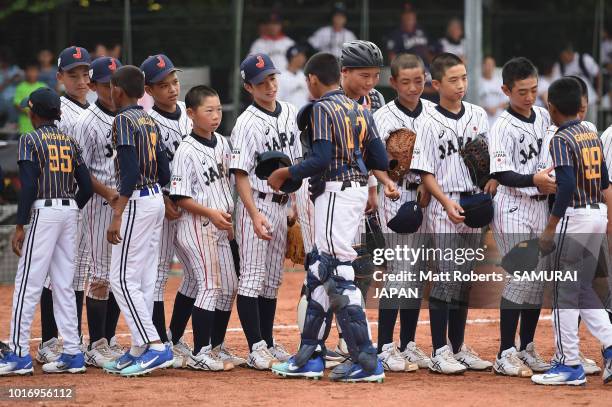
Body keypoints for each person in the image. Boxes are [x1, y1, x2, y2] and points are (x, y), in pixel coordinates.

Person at [267, 51, 399, 382]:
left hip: (336, 192)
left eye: (373, 76)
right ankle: (309, 354)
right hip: (351, 192)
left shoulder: (323, 107)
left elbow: (321, 158)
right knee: (319, 270)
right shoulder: (361, 109)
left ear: (312, 80)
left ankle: (366, 359)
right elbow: (380, 158)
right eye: (365, 76)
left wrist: (286, 172)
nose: (370, 83)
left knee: (336, 271)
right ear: (341, 73)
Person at [410, 52, 494, 374]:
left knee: (464, 281)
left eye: (464, 78)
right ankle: (439, 350)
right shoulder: (428, 121)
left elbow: (484, 160)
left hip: (474, 203)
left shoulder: (477, 113)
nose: (461, 85)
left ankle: (458, 348)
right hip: (445, 205)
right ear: (436, 84)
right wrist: (445, 202)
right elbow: (425, 173)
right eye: (453, 80)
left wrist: (490, 181)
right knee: (446, 280)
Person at [0, 87, 93, 376]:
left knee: (28, 282)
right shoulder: (69, 141)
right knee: (63, 284)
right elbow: (87, 187)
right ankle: (73, 353)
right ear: (58, 113)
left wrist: (20, 224)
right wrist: (70, 209)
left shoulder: (30, 139)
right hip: (69, 211)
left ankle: (17, 353)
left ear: (33, 113)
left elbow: (27, 186)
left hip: (45, 209)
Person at [532, 77, 612, 386]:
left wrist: (550, 227)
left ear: (551, 107)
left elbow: (564, 186)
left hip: (575, 217)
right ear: (579, 106)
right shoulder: (589, 132)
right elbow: (604, 181)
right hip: (596, 214)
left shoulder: (561, 138)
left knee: (564, 291)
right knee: (580, 290)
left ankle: (569, 364)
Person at [101, 65, 173, 377]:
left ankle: (155, 344)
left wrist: (117, 212)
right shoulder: (149, 118)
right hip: (154, 198)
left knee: (119, 278)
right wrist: (166, 198)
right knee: (142, 278)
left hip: (137, 201)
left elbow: (129, 172)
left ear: (118, 89)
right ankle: (140, 347)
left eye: (111, 86)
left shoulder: (123, 119)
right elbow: (164, 165)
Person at [229, 53, 298, 369]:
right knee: (252, 278)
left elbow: (297, 166)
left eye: (272, 78)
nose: (269, 85)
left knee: (272, 281)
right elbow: (240, 173)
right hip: (256, 203)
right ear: (248, 86)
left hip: (284, 205)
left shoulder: (291, 114)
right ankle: (255, 346)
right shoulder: (246, 122)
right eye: (261, 82)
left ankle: (268, 341)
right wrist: (253, 213)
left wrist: (295, 208)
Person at [488, 57, 556, 378]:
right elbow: (501, 173)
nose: (529, 97)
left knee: (537, 280)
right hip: (512, 206)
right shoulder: (501, 125)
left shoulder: (543, 116)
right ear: (506, 90)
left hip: (540, 206)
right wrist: (534, 181)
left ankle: (526, 346)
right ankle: (504, 351)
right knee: (521, 276)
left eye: (533, 89)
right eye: (521, 91)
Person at [169, 85, 243, 370]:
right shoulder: (186, 151)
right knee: (210, 286)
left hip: (220, 225)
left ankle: (215, 346)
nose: (215, 116)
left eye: (218, 110)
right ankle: (200, 353)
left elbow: (227, 186)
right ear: (191, 113)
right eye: (208, 110)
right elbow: (180, 197)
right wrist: (211, 213)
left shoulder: (223, 143)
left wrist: (229, 223)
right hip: (196, 225)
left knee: (230, 287)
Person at [373, 53, 435, 372]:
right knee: (400, 272)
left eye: (419, 81)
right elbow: (371, 159)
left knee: (418, 273)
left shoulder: (435, 114)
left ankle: (408, 343)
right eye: (406, 82)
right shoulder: (382, 117)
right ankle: (385, 346)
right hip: (397, 197)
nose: (413, 87)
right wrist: (385, 180)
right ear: (393, 82)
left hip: (429, 199)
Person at [140, 54, 195, 368]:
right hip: (162, 208)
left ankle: (174, 336)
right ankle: (159, 340)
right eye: (163, 85)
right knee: (158, 276)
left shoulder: (188, 118)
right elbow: (148, 167)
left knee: (197, 276)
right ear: (149, 89)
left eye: (174, 81)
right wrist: (162, 198)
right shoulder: (148, 122)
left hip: (189, 206)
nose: (172, 88)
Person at [38, 45, 92, 364]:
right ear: (60, 77)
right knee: (52, 277)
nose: (81, 80)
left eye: (86, 73)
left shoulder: (93, 109)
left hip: (87, 204)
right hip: (63, 200)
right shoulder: (58, 112)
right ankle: (48, 340)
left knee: (78, 274)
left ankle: (72, 339)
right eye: (74, 75)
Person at [73, 56, 125, 368]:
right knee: (100, 275)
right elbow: (80, 170)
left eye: (116, 83)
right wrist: (109, 193)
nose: (112, 89)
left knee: (121, 275)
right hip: (99, 203)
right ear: (92, 86)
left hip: (127, 203)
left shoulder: (131, 114)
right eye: (106, 84)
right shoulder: (86, 122)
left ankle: (108, 337)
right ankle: (96, 343)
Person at [551, 43, 599, 123]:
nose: (562, 59)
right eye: (561, 57)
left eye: (564, 56)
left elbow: (597, 74)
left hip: (590, 99)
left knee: (591, 124)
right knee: (576, 124)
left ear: (570, 53)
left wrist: (598, 92)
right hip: (572, 102)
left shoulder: (584, 60)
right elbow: (556, 83)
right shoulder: (560, 66)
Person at [13, 62, 46, 134]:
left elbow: (47, 103)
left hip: (41, 127)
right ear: (25, 72)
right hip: (25, 126)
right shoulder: (20, 87)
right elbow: (16, 104)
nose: (32, 74)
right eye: (30, 71)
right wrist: (29, 112)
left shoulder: (43, 86)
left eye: (34, 71)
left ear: (38, 73)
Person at [277, 45, 310, 109]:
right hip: (288, 115)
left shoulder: (304, 76)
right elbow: (277, 100)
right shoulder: (280, 77)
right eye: (301, 55)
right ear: (294, 58)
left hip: (304, 115)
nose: (304, 58)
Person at [479, 56, 506, 127]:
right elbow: (474, 101)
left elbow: (506, 102)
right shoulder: (478, 82)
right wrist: (487, 109)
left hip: (499, 121)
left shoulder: (499, 81)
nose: (489, 67)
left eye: (492, 65)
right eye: (487, 64)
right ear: (483, 65)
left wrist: (496, 108)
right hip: (483, 121)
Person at [0, 47, 23, 128]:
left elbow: (24, 78)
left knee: (15, 104)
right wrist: (9, 80)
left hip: (13, 98)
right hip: (1, 100)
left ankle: (11, 124)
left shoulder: (15, 69)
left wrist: (18, 78)